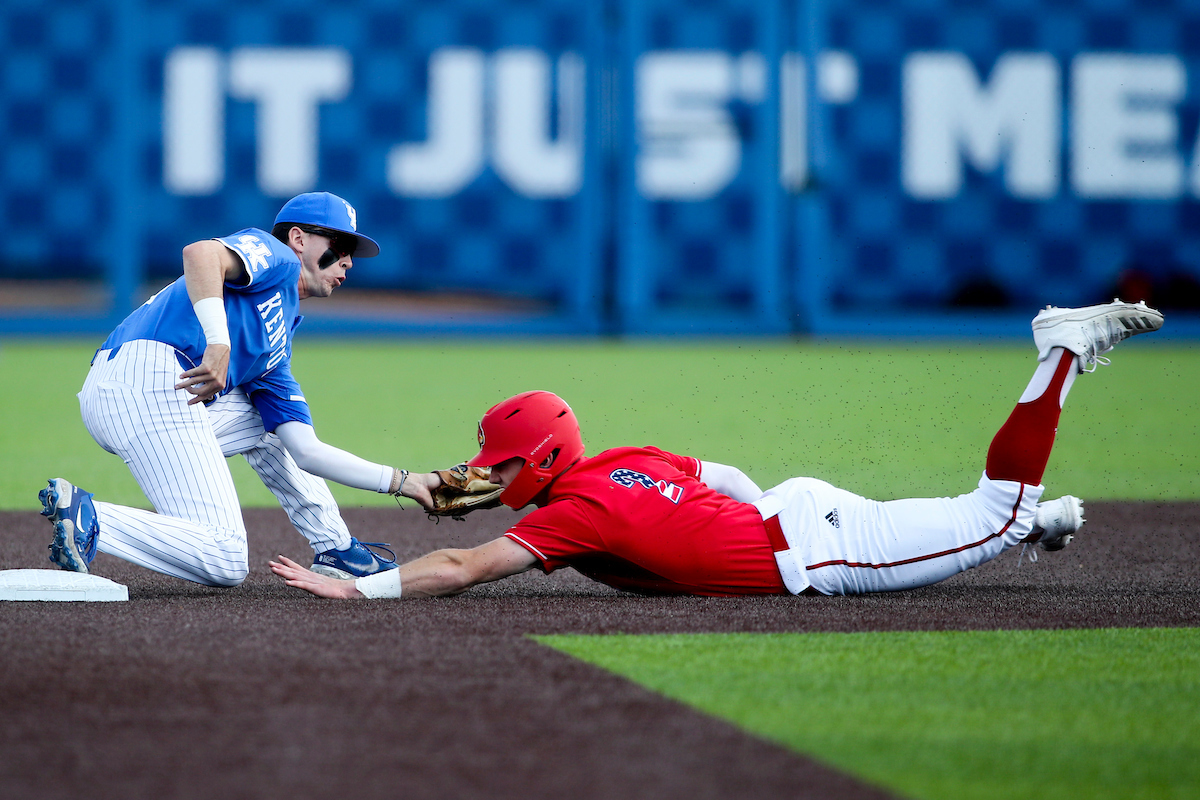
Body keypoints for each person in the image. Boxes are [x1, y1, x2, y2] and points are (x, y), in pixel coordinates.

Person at [269, 300, 1164, 601]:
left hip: (816, 548)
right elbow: (725, 477)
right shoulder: (619, 461)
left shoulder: (580, 507)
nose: (489, 475)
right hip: (797, 516)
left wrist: (359, 585)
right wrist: (743, 522)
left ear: (540, 459)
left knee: (994, 514)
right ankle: (1029, 520)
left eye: (502, 463)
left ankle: (1061, 350)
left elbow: (462, 564)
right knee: (966, 524)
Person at [38, 192, 442, 586]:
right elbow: (200, 254)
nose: (348, 261)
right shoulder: (279, 256)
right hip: (147, 376)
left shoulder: (276, 348)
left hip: (153, 394)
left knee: (271, 429)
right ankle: (93, 518)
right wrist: (219, 342)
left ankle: (338, 549)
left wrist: (406, 481)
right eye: (339, 245)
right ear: (299, 239)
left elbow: (307, 451)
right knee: (226, 558)